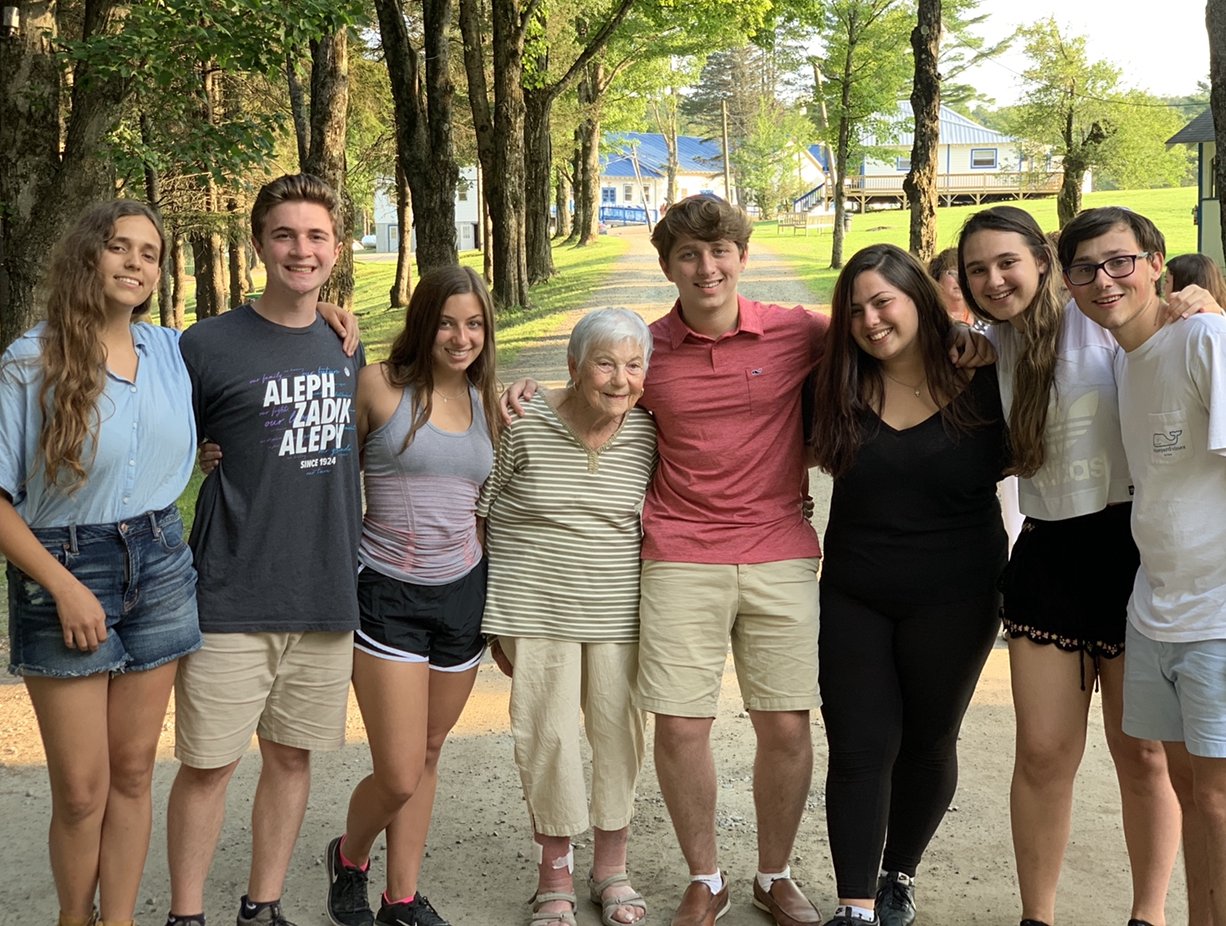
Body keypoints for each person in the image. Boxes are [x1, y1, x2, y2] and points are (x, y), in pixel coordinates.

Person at [500, 196, 992, 926]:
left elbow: (889, 336)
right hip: (679, 554)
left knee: (788, 725)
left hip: (781, 553)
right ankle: (706, 877)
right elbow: (593, 384)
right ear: (668, 266)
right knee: (678, 726)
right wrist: (530, 393)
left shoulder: (799, 333)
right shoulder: (650, 348)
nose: (707, 267)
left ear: (742, 254)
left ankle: (774, 873)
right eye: (689, 256)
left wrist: (969, 334)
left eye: (720, 250)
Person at [957, 205, 1182, 926]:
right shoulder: (985, 349)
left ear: (1044, 261)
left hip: (1129, 551)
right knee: (1044, 753)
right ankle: (1038, 917)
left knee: (1140, 755)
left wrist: (1194, 297)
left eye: (1007, 263)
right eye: (977, 270)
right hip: (1048, 555)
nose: (995, 280)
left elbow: (1170, 322)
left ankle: (1147, 915)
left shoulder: (1104, 321)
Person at [164, 173, 365, 926]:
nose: (300, 249)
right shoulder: (205, 344)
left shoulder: (346, 341)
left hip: (322, 591)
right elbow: (164, 442)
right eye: (284, 234)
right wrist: (205, 455)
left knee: (290, 758)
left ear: (336, 249)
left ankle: (264, 906)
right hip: (229, 590)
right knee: (208, 765)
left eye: (316, 236)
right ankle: (186, 916)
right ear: (258, 243)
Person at [0, 200, 200, 926]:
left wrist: (340, 318)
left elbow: (266, 338)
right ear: (89, 255)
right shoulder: (29, 361)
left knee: (132, 772)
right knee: (81, 791)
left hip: (160, 567)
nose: (135, 263)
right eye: (120, 247)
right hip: (64, 569)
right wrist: (62, 587)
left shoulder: (175, 353)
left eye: (149, 253)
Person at [811, 244, 1009, 926]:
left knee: (929, 741)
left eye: (882, 302)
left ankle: (899, 873)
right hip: (856, 594)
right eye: (856, 308)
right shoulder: (834, 384)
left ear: (918, 301)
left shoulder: (987, 377)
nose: (870, 320)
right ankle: (856, 906)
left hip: (958, 596)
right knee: (860, 745)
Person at [1057, 207, 1226, 926]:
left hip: (1216, 615)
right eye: (1086, 268)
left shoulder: (1204, 338)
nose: (1105, 279)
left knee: (1216, 798)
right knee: (1191, 793)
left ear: (1157, 262)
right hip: (1156, 610)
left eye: (1120, 260)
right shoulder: (1128, 361)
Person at [323, 265, 501, 926]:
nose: (462, 337)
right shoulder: (375, 387)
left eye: (475, 323)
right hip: (386, 596)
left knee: (428, 755)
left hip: (462, 598)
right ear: (423, 322)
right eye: (449, 322)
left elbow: (488, 509)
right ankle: (349, 855)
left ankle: (401, 899)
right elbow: (316, 464)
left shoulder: (488, 401)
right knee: (397, 772)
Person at [479, 308, 658, 926]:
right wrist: (493, 616)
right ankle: (553, 875)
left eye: (634, 365)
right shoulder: (524, 423)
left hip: (620, 612)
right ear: (574, 367)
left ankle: (612, 870)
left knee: (619, 738)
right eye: (605, 364)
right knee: (548, 738)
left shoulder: (650, 434)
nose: (620, 380)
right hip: (534, 609)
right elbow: (485, 508)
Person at [927, 248, 972, 324]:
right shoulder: (927, 318)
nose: (960, 278)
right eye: (953, 272)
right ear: (937, 277)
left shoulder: (985, 319)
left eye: (965, 273)